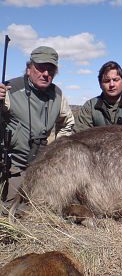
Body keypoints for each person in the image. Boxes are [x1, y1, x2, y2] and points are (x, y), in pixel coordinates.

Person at [0, 46, 75, 203]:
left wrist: (56, 150)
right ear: (29, 69)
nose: (46, 74)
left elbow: (67, 124)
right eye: (40, 68)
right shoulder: (9, 90)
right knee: (10, 207)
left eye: (51, 70)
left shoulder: (58, 94)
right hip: (12, 167)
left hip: (42, 166)